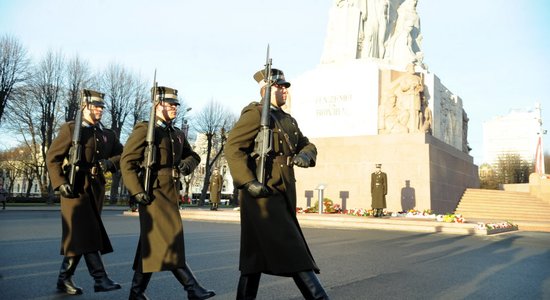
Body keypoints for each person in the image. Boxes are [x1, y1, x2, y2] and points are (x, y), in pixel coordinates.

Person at [225, 68, 330, 299]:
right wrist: (247, 181)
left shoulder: (287, 119)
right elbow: (233, 148)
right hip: (262, 193)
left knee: (254, 260)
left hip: (282, 191)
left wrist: (305, 155)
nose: (285, 91)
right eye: (280, 87)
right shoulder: (254, 113)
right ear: (267, 89)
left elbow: (307, 144)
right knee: (294, 249)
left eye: (285, 87)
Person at [120, 86, 215, 300]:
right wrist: (136, 191)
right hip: (151, 192)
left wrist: (186, 165)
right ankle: (192, 287)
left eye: (175, 105)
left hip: (170, 192)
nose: (174, 108)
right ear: (156, 106)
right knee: (169, 238)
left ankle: (136, 292)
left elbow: (194, 156)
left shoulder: (177, 133)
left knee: (151, 242)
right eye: (170, 104)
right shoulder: (145, 130)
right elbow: (127, 162)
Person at [46, 89, 123, 295]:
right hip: (74, 189)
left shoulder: (108, 135)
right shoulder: (71, 129)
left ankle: (64, 279)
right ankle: (100, 278)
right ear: (84, 107)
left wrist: (108, 163)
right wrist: (59, 183)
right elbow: (52, 157)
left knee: (81, 236)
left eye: (101, 107)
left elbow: (123, 156)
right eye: (95, 106)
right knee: (87, 232)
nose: (99, 110)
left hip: (94, 190)